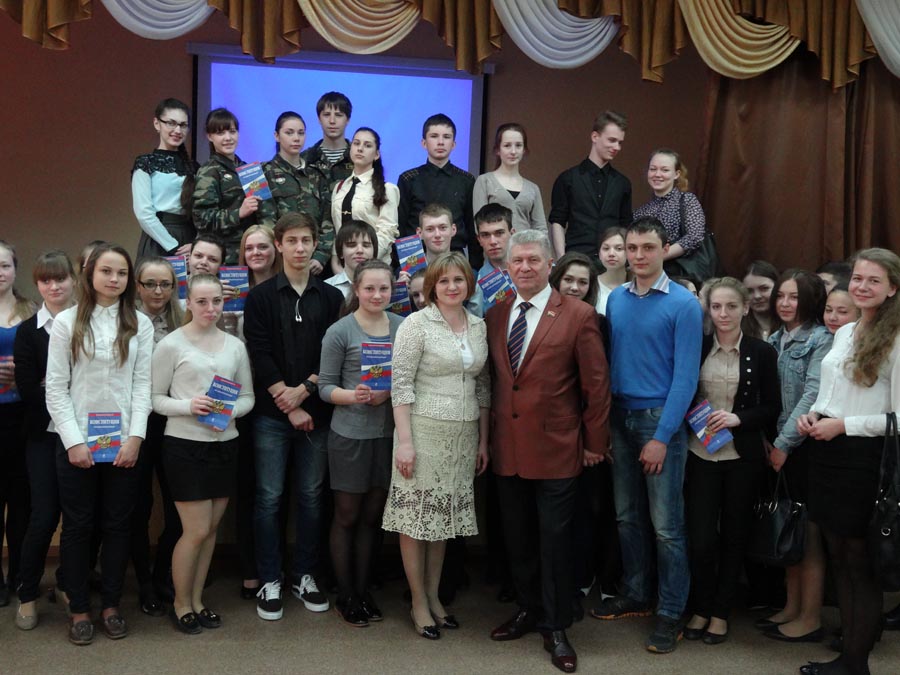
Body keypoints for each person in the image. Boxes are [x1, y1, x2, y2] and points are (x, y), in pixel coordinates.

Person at [487, 230, 610, 673]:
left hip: (559, 449)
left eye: (533, 260)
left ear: (549, 265)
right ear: (508, 267)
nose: (525, 267)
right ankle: (528, 609)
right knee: (517, 539)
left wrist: (595, 444)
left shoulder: (578, 314)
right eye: (517, 261)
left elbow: (597, 386)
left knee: (555, 542)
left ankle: (556, 626)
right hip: (508, 448)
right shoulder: (496, 313)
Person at [594, 217, 703, 655]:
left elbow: (686, 378)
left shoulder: (684, 304)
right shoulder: (617, 300)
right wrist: (606, 424)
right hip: (620, 418)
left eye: (647, 248)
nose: (638, 255)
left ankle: (671, 611)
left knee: (667, 528)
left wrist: (662, 435)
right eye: (632, 248)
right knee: (626, 517)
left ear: (664, 249)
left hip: (660, 423)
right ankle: (637, 593)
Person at [796, 248, 900, 675]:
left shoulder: (897, 338)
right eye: (857, 278)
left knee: (859, 564)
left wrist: (844, 426)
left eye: (873, 280)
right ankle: (849, 656)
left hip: (863, 458)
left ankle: (856, 663)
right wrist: (814, 414)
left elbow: (898, 418)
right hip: (827, 451)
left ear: (892, 288)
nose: (862, 286)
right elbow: (831, 392)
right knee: (838, 556)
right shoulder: (846, 331)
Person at [45, 243, 154, 645]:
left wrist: (135, 438)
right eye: (106, 271)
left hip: (123, 443)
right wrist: (74, 442)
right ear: (89, 274)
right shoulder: (67, 322)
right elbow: (56, 389)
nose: (114, 279)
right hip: (76, 443)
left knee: (118, 525)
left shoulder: (139, 323)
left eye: (122, 273)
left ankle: (111, 605)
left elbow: (142, 387)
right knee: (77, 527)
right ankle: (78, 608)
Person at [381, 251, 490, 640]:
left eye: (458, 279)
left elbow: (483, 386)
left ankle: (434, 596)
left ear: (468, 284)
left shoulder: (478, 325)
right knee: (416, 519)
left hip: (464, 434)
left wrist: (484, 440)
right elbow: (400, 385)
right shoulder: (417, 324)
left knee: (442, 519)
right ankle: (417, 601)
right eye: (443, 281)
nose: (451, 286)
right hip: (423, 432)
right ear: (432, 286)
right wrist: (405, 443)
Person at [243, 213, 344, 621]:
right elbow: (259, 352)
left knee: (312, 497)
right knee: (268, 498)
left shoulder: (332, 298)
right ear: (279, 245)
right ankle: (270, 578)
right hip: (271, 415)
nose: (299, 248)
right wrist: (288, 401)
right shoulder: (260, 297)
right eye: (292, 241)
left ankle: (305, 575)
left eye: (306, 240)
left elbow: (333, 355)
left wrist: (304, 391)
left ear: (315, 243)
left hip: (317, 414)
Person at [151, 273, 254, 634]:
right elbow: (155, 399)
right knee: (194, 530)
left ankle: (197, 600)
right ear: (188, 303)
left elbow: (247, 397)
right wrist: (189, 406)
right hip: (184, 446)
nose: (211, 309)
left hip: (225, 444)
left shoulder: (234, 346)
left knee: (210, 530)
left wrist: (229, 413)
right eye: (202, 302)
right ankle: (180, 603)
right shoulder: (171, 344)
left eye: (217, 301)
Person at [682, 277, 780, 645]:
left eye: (731, 306)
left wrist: (739, 419)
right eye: (716, 306)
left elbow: (772, 406)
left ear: (745, 308)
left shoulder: (762, 351)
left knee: (736, 535)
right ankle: (701, 607)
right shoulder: (697, 346)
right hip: (700, 452)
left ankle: (721, 612)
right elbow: (681, 391)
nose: (723, 314)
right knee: (701, 538)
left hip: (742, 456)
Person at [319, 260, 404, 626]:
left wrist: (390, 392)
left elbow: (412, 377)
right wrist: (354, 395)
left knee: (373, 517)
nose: (376, 295)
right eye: (369, 288)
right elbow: (325, 387)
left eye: (383, 288)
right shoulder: (340, 331)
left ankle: (364, 590)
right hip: (350, 435)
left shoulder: (402, 327)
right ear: (356, 289)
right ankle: (346, 594)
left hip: (388, 435)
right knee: (348, 515)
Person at [760, 270, 832, 644]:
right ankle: (791, 607)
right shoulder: (774, 338)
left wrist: (784, 444)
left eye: (794, 297)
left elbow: (812, 396)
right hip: (777, 444)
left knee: (808, 534)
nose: (785, 303)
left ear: (811, 300)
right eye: (781, 296)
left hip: (804, 446)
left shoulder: (821, 338)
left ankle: (810, 617)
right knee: (788, 526)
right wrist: (769, 441)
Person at [13, 250, 75, 629]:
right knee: (44, 515)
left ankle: (68, 585)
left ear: (73, 281)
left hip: (81, 435)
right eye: (45, 280)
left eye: (60, 278)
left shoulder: (86, 324)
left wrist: (53, 387)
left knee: (78, 517)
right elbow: (27, 389)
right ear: (37, 285)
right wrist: (62, 393)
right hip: (42, 435)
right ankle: (27, 592)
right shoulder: (27, 331)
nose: (53, 286)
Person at [130, 257, 184, 615]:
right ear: (138, 286)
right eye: (150, 283)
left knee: (178, 506)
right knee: (138, 506)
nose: (158, 291)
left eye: (165, 284)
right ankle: (143, 583)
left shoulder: (183, 320)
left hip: (175, 422)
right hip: (136, 423)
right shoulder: (125, 321)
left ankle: (165, 571)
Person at [233, 225, 280, 600]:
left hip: (273, 396)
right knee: (246, 487)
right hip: (233, 396)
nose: (256, 253)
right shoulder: (229, 289)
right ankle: (250, 568)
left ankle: (277, 567)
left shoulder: (284, 288)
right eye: (249, 248)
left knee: (275, 490)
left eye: (263, 246)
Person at [0, 241, 37, 611]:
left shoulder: (31, 310)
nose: (0, 272)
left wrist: (23, 373)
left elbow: (46, 361)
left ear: (15, 269)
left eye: (5, 265)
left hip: (23, 416)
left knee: (22, 500)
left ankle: (20, 575)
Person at [549, 111, 631, 259]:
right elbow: (557, 222)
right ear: (595, 137)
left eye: (620, 142)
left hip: (611, 260)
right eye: (612, 140)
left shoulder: (622, 183)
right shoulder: (568, 179)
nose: (617, 147)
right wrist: (562, 259)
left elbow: (626, 225)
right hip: (576, 258)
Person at [398, 114, 478, 265]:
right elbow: (401, 226)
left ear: (453, 144)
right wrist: (400, 266)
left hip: (455, 256)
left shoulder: (466, 180)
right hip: (415, 259)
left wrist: (475, 267)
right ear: (424, 143)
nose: (440, 142)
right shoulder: (408, 178)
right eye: (434, 136)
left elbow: (471, 227)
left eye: (446, 137)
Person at [260, 111, 333, 276]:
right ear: (277, 136)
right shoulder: (262, 173)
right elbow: (264, 221)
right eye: (289, 133)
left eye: (301, 133)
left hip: (314, 263)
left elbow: (327, 219)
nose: (296, 138)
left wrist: (320, 256)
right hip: (279, 262)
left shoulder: (317, 174)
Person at [132, 98, 198, 260]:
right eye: (171, 123)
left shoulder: (195, 167)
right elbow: (144, 213)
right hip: (158, 240)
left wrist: (196, 244)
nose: (177, 130)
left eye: (183, 125)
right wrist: (172, 246)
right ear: (157, 124)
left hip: (190, 243)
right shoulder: (145, 163)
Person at [192, 108, 260, 265]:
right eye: (220, 133)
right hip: (225, 256)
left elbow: (263, 211)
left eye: (232, 131)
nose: (228, 138)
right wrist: (238, 213)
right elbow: (202, 220)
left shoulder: (249, 169)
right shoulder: (208, 171)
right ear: (210, 136)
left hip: (252, 253)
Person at [331, 127, 399, 270]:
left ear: (376, 154)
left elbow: (387, 232)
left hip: (375, 266)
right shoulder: (339, 187)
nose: (360, 148)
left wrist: (365, 261)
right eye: (356, 143)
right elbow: (337, 231)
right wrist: (336, 262)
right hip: (343, 267)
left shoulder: (387, 189)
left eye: (367, 145)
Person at [632, 149, 707, 270]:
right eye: (653, 169)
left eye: (665, 170)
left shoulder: (687, 200)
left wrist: (657, 257)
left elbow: (695, 236)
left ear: (676, 174)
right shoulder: (641, 212)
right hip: (648, 273)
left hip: (680, 272)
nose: (657, 174)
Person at [473, 123, 547, 233]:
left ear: (524, 150)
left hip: (525, 243)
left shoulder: (533, 188)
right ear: (498, 150)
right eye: (507, 145)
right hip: (494, 243)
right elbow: (479, 224)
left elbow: (540, 228)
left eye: (518, 145)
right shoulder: (484, 181)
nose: (513, 151)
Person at [468, 203, 515, 318]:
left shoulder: (533, 269)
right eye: (485, 235)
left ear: (512, 233)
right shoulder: (476, 282)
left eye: (499, 233)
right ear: (479, 239)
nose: (493, 241)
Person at [301, 91, 354, 186]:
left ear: (348, 120)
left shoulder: (358, 158)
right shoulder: (305, 159)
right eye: (326, 115)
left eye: (338, 115)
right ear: (319, 119)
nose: (332, 121)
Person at [327, 220, 378, 302]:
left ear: (374, 251)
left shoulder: (386, 287)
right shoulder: (326, 288)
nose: (360, 250)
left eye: (366, 245)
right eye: (351, 245)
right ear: (341, 252)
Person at [743, 260, 780, 340]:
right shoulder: (736, 330)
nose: (757, 296)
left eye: (764, 288)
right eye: (750, 291)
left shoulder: (792, 326)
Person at [596, 226, 628, 315]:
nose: (611, 254)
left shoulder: (639, 285)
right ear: (599, 254)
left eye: (619, 249)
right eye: (606, 248)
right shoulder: (591, 284)